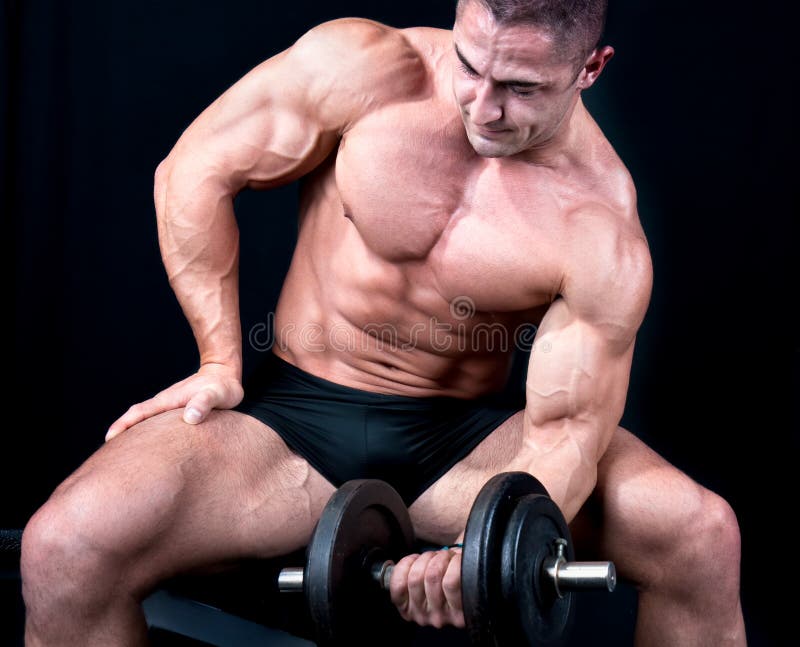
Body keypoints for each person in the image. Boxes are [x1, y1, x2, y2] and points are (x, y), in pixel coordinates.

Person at [20, 0, 746, 644]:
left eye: (521, 88)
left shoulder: (598, 227)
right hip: (288, 418)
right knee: (66, 544)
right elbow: (194, 170)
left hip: (464, 444)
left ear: (591, 68)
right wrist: (218, 360)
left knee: (698, 534)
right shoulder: (368, 69)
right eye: (470, 65)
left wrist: (482, 551)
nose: (482, 107)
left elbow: (567, 434)